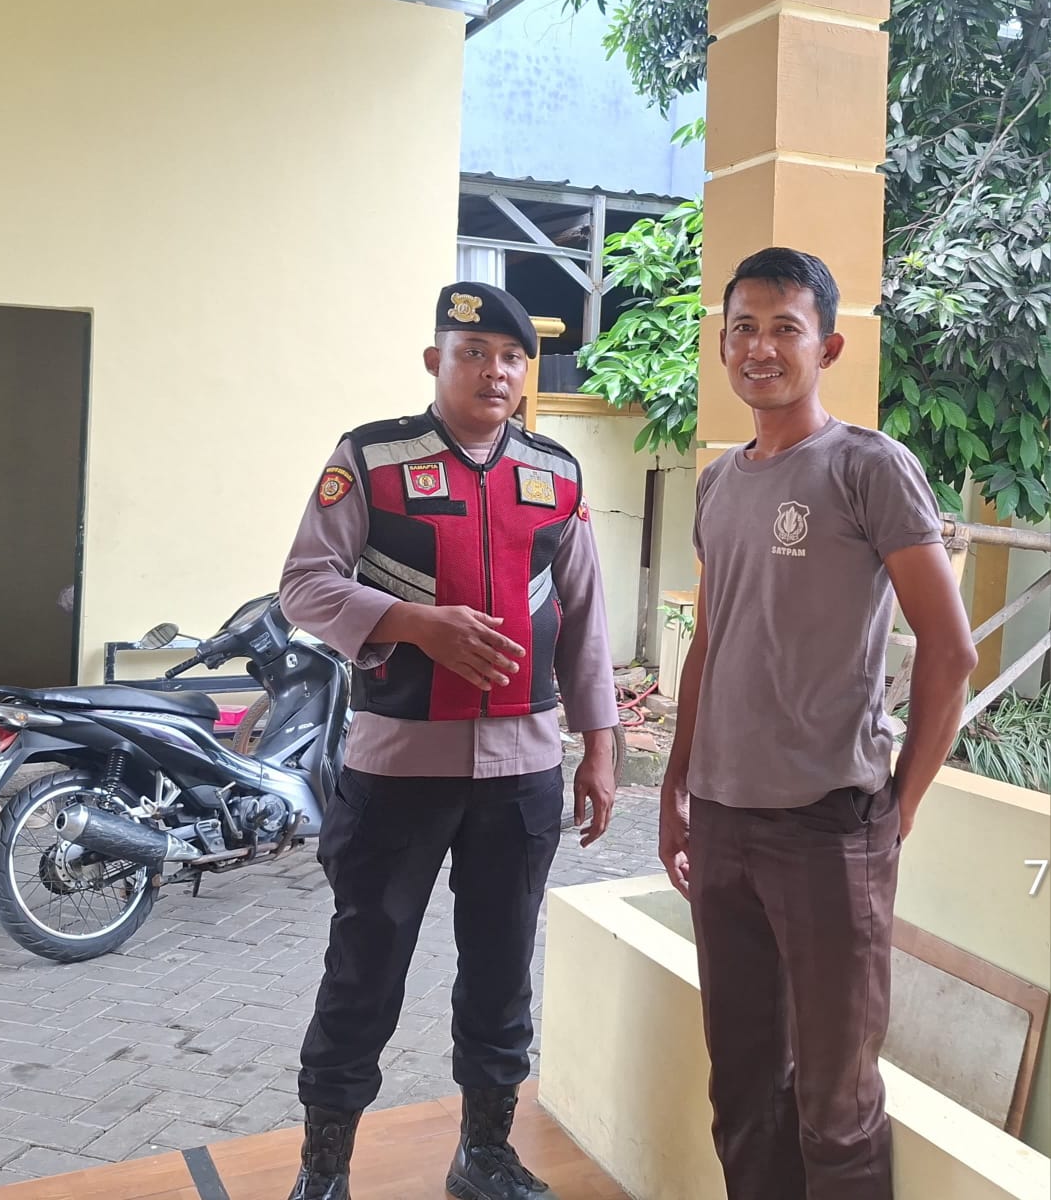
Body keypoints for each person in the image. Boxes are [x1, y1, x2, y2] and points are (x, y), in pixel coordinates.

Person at [278, 282, 620, 1200]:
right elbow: (304, 584)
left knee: (502, 973)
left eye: (510, 358)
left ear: (526, 374)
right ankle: (323, 1170)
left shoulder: (556, 474)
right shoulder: (370, 458)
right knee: (364, 969)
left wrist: (600, 741)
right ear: (436, 361)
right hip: (397, 768)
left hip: (523, 769)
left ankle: (483, 1157)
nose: (493, 372)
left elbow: (585, 618)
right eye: (473, 354)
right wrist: (413, 623)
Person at [659, 247, 978, 1200]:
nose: (760, 348)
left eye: (783, 329)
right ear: (723, 345)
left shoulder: (867, 468)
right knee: (743, 1088)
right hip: (723, 819)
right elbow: (709, 643)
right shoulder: (718, 483)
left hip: (828, 824)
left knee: (835, 1106)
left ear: (826, 346)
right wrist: (676, 784)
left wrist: (900, 805)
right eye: (742, 329)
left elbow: (950, 651)